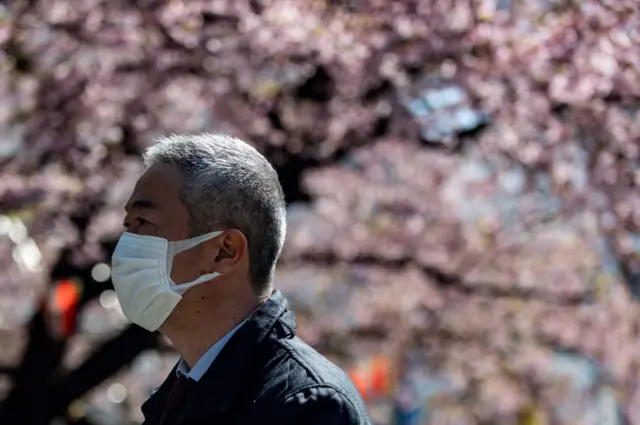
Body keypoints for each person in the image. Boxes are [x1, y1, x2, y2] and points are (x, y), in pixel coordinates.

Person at [111, 133, 372, 425]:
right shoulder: (177, 398)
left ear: (225, 252)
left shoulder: (306, 405)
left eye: (143, 223)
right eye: (127, 225)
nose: (125, 243)